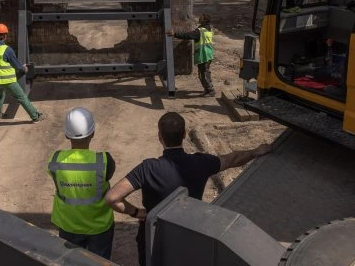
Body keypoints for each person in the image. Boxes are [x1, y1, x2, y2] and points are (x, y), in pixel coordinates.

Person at [104, 112, 273, 266]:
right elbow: (232, 159)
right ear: (184, 135)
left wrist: (138, 213)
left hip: (153, 236)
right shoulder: (201, 162)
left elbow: (112, 198)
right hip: (188, 231)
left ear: (159, 137)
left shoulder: (148, 168)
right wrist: (256, 151)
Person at [47, 107, 118, 259]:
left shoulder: (54, 160)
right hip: (99, 227)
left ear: (67, 135)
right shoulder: (104, 161)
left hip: (68, 225)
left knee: (71, 262)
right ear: (92, 133)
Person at [0, 23, 43, 122]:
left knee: (0, 95)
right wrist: (24, 69)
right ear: (4, 35)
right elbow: (17, 65)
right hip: (7, 80)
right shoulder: (6, 49)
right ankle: (35, 116)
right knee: (21, 97)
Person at [166, 13, 215, 96]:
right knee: (205, 72)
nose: (199, 19)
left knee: (203, 74)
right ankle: (208, 89)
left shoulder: (200, 31)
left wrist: (175, 34)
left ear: (204, 20)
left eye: (201, 18)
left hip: (204, 54)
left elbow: (188, 35)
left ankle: (210, 91)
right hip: (208, 54)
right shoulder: (208, 28)